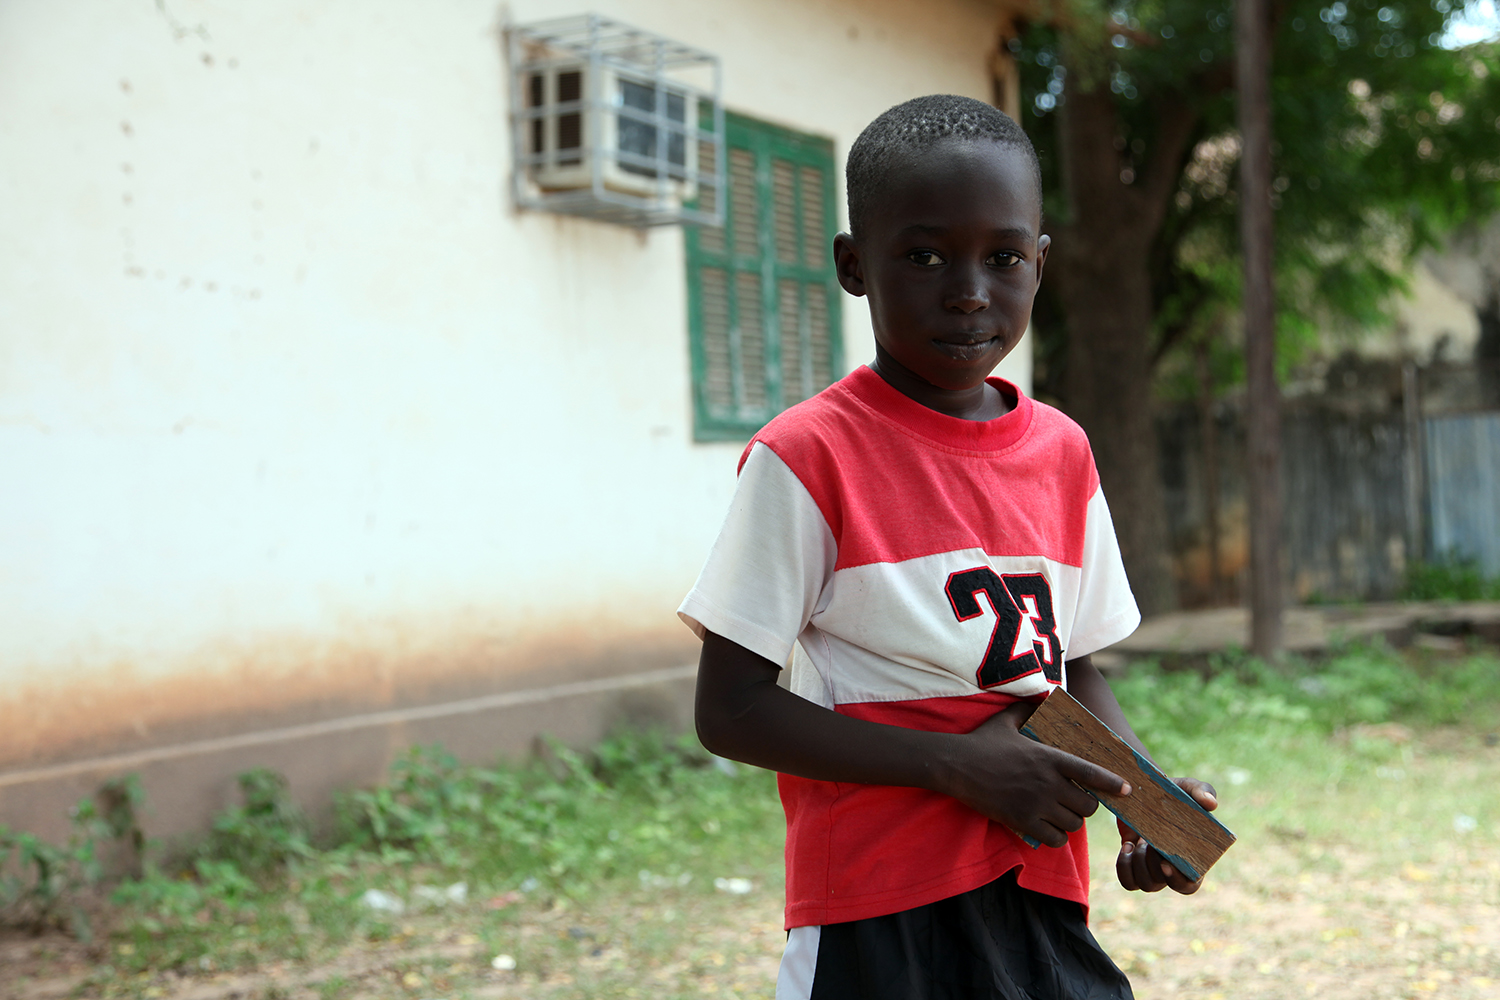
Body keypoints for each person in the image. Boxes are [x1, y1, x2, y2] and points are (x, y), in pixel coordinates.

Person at [678, 94, 1217, 1000]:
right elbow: (728, 710)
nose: (968, 290)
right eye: (923, 255)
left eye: (1003, 257)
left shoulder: (1062, 453)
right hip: (878, 908)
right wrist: (956, 766)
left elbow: (1070, 668)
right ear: (855, 265)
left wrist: (1144, 804)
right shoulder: (808, 456)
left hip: (1038, 882)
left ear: (1040, 265)